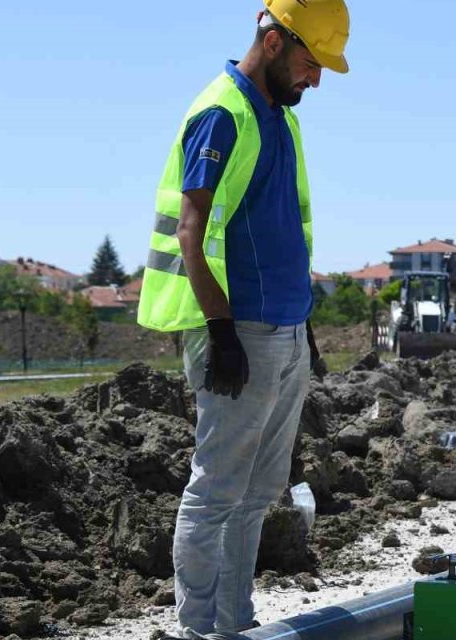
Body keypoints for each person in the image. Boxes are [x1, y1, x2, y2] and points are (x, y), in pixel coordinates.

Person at [135, 2, 349, 637]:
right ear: (276, 41)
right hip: (242, 333)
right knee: (215, 494)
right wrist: (222, 333)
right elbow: (191, 232)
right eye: (313, 63)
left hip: (284, 330)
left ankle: (236, 624)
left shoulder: (280, 118)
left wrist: (303, 322)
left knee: (257, 496)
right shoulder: (221, 113)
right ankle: (198, 629)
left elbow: (284, 228)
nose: (316, 80)